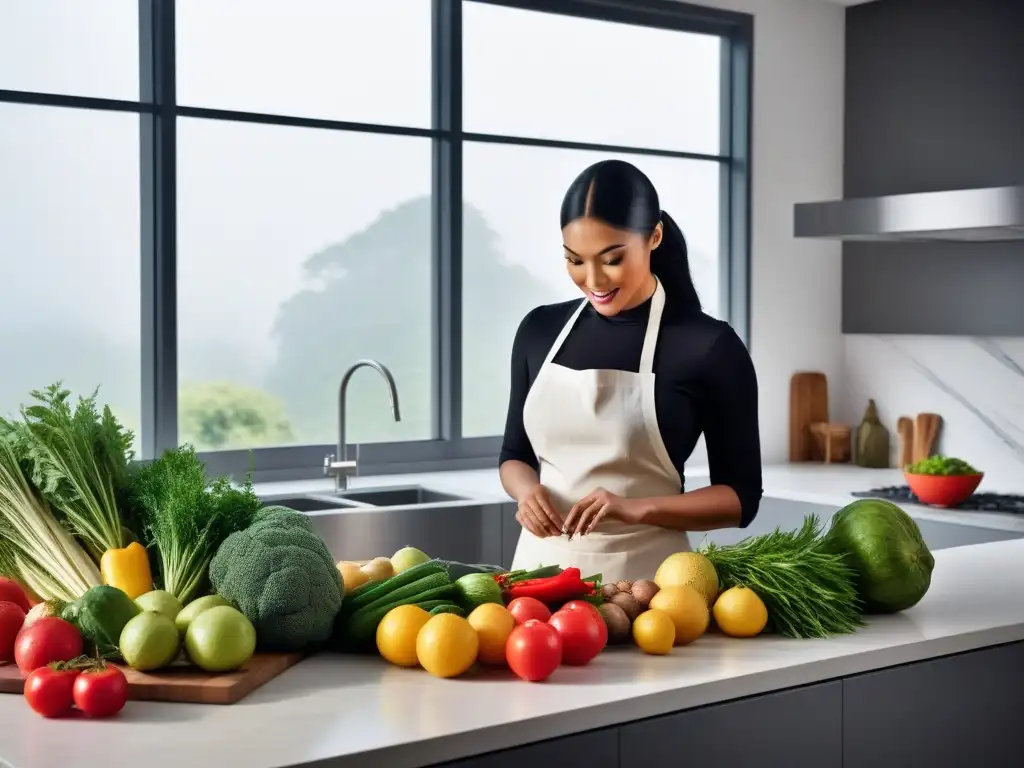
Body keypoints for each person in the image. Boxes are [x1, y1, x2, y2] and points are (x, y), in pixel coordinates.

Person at [498, 159, 763, 584]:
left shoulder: (708, 346)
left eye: (612, 259)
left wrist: (634, 507)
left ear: (654, 236)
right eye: (575, 260)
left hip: (650, 592)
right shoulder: (539, 330)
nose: (593, 279)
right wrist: (527, 492)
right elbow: (515, 456)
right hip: (535, 585)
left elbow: (740, 499)